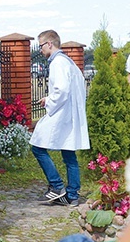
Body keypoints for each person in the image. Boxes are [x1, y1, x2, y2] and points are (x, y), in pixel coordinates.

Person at [30, 30, 90, 206]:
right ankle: (72, 196)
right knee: (69, 154)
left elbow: (61, 90)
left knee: (37, 146)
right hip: (70, 115)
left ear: (50, 44)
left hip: (61, 114)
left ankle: (57, 186)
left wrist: (48, 100)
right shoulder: (69, 62)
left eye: (41, 45)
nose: (40, 49)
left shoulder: (58, 63)